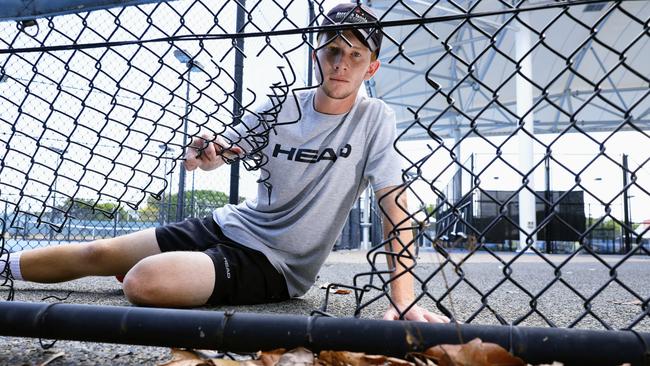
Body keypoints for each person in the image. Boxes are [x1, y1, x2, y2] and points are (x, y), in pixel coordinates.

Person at [1, 3, 449, 323]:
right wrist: (206, 153)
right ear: (317, 54)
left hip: (276, 263)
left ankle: (180, 267)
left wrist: (403, 299)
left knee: (142, 283)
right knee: (97, 252)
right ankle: (5, 265)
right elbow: (222, 153)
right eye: (333, 50)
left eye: (356, 55)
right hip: (230, 223)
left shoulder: (375, 119)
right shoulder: (283, 107)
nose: (341, 64)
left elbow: (395, 204)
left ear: (371, 68)